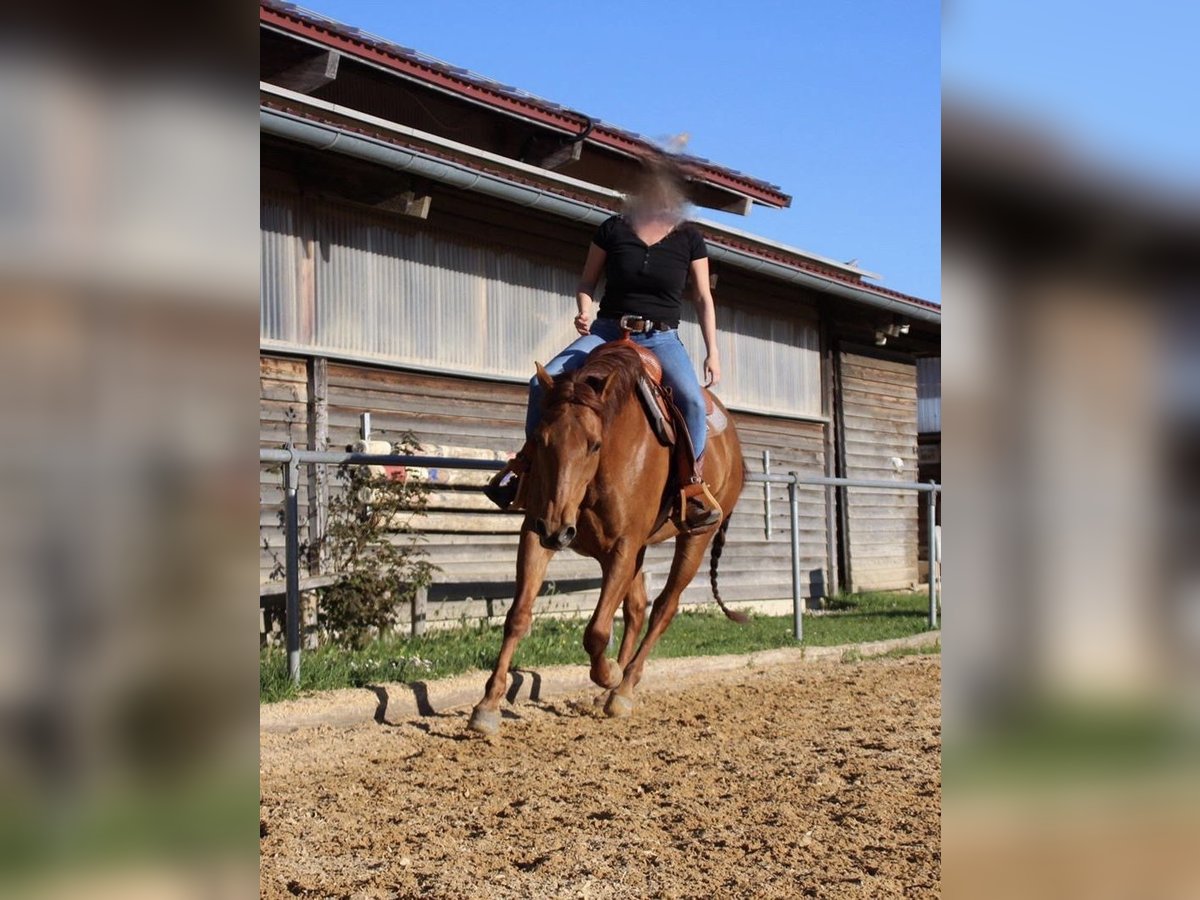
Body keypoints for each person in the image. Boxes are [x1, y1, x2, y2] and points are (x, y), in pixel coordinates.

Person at [485, 162, 723, 530]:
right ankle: (527, 470)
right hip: (608, 330)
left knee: (691, 401)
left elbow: (704, 299)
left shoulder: (689, 239)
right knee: (539, 384)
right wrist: (583, 311)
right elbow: (586, 282)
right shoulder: (612, 229)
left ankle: (690, 488)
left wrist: (714, 350)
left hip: (660, 337)